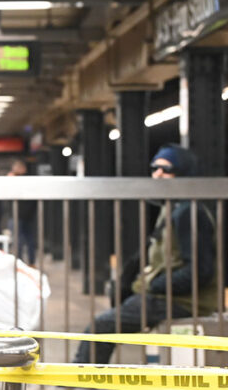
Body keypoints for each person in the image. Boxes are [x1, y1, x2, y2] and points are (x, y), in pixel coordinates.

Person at [72, 144, 216, 364]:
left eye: (166, 169)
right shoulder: (173, 208)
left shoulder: (189, 212)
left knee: (101, 327)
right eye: (154, 168)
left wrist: (154, 285)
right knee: (106, 325)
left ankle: (76, 384)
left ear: (184, 173)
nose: (157, 174)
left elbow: (199, 270)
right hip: (169, 295)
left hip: (184, 300)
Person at [7, 160, 37, 265]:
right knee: (29, 239)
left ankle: (19, 262)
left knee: (18, 239)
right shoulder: (31, 179)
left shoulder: (17, 180)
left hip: (18, 214)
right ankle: (31, 261)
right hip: (28, 215)